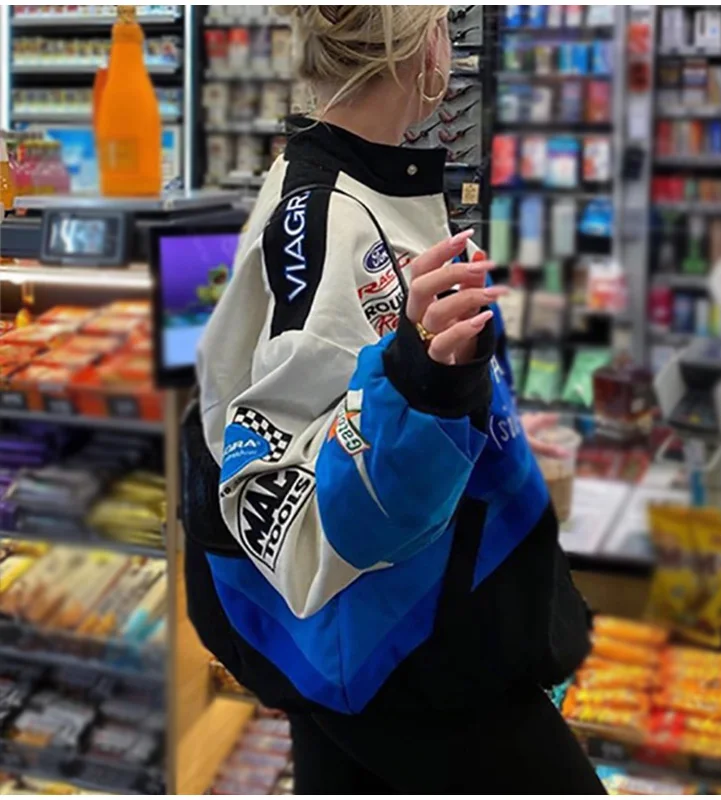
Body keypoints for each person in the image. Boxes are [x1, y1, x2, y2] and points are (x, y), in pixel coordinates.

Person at [189, 5, 604, 794]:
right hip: (405, 645)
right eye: (443, 22)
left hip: (371, 640)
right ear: (422, 49)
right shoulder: (329, 218)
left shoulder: (339, 183)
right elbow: (298, 505)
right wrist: (427, 381)